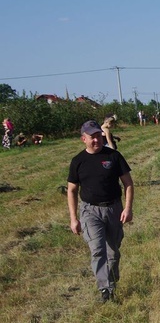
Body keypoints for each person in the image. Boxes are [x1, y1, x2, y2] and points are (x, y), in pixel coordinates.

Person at [67, 120, 134, 303]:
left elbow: (128, 184)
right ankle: (105, 289)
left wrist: (128, 208)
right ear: (83, 139)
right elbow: (72, 190)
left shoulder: (114, 156)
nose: (96, 140)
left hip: (113, 209)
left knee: (113, 252)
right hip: (90, 211)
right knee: (97, 250)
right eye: (92, 137)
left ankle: (111, 282)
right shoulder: (78, 161)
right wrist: (74, 219)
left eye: (98, 135)